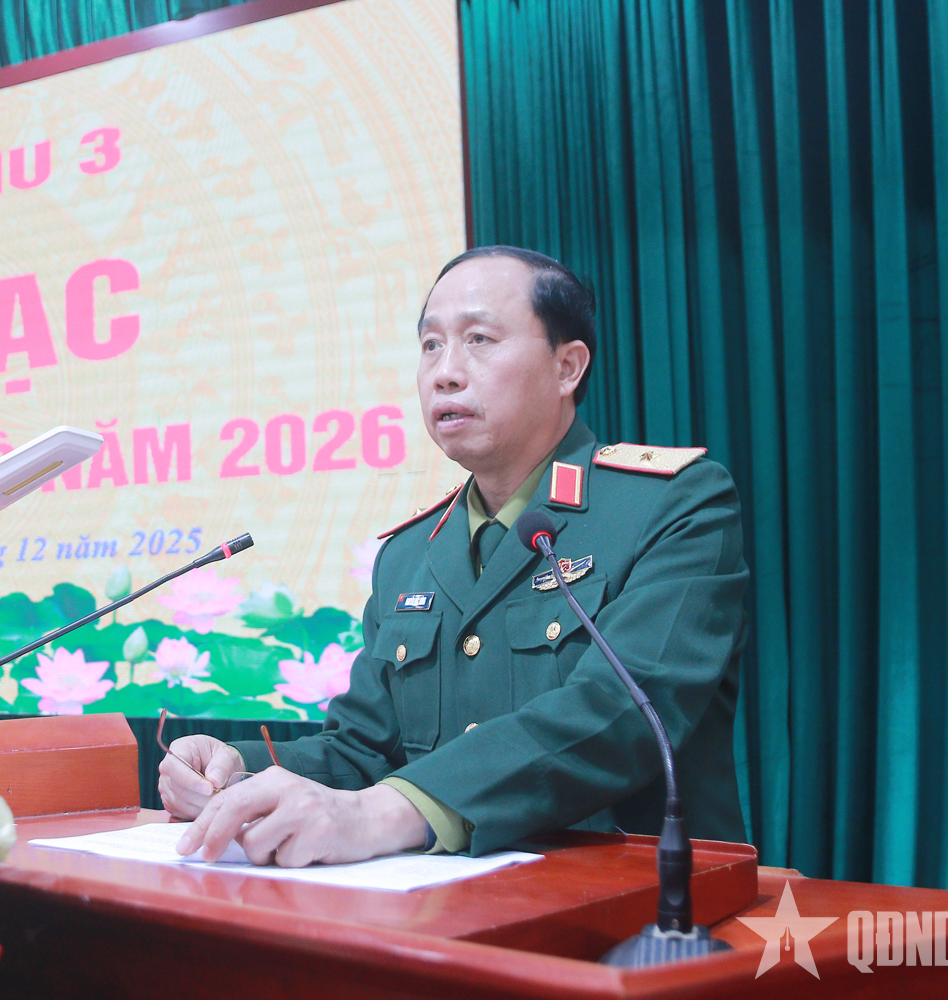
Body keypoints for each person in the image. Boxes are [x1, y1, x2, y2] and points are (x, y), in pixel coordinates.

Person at [160, 246, 749, 867]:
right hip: (442, 906)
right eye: (431, 345)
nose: (445, 372)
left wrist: (388, 812)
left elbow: (619, 715)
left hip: (633, 896)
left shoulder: (674, 504)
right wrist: (237, 773)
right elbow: (364, 750)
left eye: (479, 339)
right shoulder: (409, 553)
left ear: (567, 367)